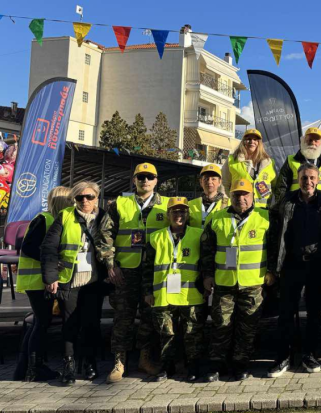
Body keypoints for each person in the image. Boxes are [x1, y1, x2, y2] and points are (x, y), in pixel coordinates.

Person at [267, 163, 321, 377]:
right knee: (286, 313)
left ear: (318, 180)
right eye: (303, 178)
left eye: (311, 178)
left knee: (313, 313)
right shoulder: (287, 201)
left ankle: (309, 355)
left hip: (317, 264)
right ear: (298, 180)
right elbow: (274, 229)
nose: (307, 182)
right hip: (291, 263)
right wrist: (273, 266)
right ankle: (283, 357)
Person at [98, 163, 168, 382]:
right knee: (123, 318)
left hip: (154, 272)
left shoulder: (166, 205)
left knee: (149, 317)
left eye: (149, 177)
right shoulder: (120, 204)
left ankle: (145, 358)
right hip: (125, 271)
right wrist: (111, 264)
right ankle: (119, 361)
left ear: (156, 180)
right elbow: (105, 234)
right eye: (141, 177)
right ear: (134, 180)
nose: (145, 181)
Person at [200, 178, 272, 381]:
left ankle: (241, 364)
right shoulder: (217, 218)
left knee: (247, 326)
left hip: (253, 283)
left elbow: (275, 248)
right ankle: (217, 364)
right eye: (236, 195)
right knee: (221, 324)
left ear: (252, 196)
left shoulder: (265, 217)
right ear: (230, 196)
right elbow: (207, 250)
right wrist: (207, 275)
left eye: (245, 194)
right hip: (224, 283)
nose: (241, 198)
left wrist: (272, 272)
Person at [41, 181, 106, 385]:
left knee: (91, 324)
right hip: (70, 280)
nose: (85, 201)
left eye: (89, 197)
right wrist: (51, 277)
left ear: (97, 198)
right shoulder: (65, 216)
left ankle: (89, 362)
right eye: (80, 197)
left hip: (94, 281)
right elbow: (48, 247)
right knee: (70, 325)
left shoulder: (104, 217)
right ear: (74, 199)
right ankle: (68, 366)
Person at [142, 197, 205, 382]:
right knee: (166, 333)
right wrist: (147, 291)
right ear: (168, 214)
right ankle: (166, 367)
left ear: (188, 214)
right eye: (175, 211)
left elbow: (206, 263)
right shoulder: (156, 237)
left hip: (190, 294)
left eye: (182, 211)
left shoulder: (199, 235)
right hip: (163, 295)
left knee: (192, 333)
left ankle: (193, 366)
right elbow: (147, 268)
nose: (179, 215)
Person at [16, 185, 73, 382]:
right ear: (63, 202)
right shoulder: (44, 220)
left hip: (40, 281)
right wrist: (51, 261)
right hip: (37, 282)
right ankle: (35, 368)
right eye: (71, 201)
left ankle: (26, 368)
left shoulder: (51, 219)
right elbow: (29, 247)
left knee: (39, 323)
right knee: (41, 323)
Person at [272, 126, 321, 199]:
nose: (312, 143)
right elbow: (281, 187)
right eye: (310, 140)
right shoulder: (291, 160)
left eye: (316, 140)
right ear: (303, 141)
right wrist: (282, 206)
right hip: (297, 206)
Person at [222, 128, 277, 205]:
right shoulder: (232, 160)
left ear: (259, 143)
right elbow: (224, 185)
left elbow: (276, 188)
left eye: (255, 139)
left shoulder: (269, 163)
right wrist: (233, 202)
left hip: (262, 211)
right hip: (240, 209)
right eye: (248, 139)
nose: (252, 142)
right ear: (243, 141)